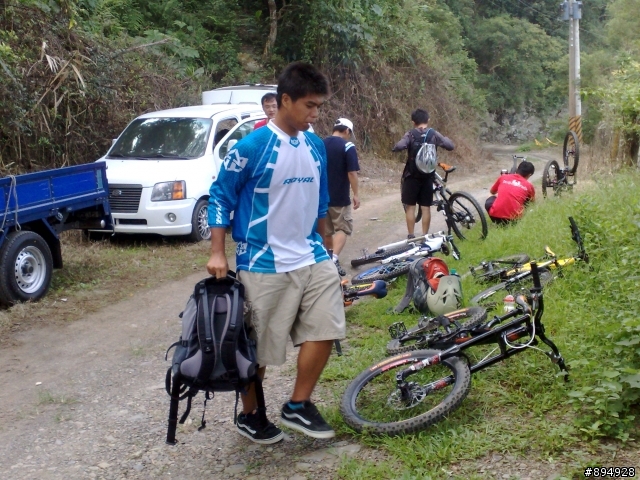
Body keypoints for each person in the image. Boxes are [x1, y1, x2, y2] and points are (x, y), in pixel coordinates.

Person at [206, 62, 345, 445]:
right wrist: (218, 252)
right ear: (285, 100)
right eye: (309, 105)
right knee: (257, 351)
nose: (315, 114)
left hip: (311, 256)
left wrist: (326, 247)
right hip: (263, 262)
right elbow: (220, 196)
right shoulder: (252, 147)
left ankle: (298, 404)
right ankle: (250, 414)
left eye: (319, 106)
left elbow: (320, 202)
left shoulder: (315, 146)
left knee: (327, 327)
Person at [392, 109, 454, 239]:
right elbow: (450, 146)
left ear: (413, 122)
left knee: (410, 207)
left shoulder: (410, 134)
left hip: (411, 176)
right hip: (428, 177)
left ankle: (411, 236)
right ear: (428, 120)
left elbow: (399, 146)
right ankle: (425, 236)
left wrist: (396, 148)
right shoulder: (434, 134)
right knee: (426, 207)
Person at [323, 118, 360, 277]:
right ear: (347, 131)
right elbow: (352, 172)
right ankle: (334, 260)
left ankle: (328, 259)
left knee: (327, 231)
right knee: (343, 228)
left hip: (322, 197)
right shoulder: (347, 146)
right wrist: (356, 193)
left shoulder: (320, 144)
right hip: (339, 196)